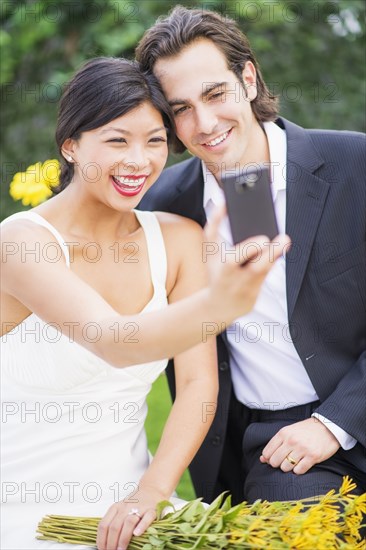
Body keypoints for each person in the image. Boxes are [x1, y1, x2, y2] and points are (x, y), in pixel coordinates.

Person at [0, 57, 288, 550]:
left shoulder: (177, 240)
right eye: (117, 140)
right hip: (23, 509)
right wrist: (218, 306)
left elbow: (198, 382)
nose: (140, 161)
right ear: (70, 146)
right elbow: (113, 342)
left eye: (155, 141)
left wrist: (151, 493)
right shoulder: (21, 244)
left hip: (132, 510)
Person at [136, 6, 366, 505]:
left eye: (216, 94)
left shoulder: (357, 165)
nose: (205, 123)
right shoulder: (165, 209)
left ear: (248, 77)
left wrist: (338, 420)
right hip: (278, 449)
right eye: (181, 109)